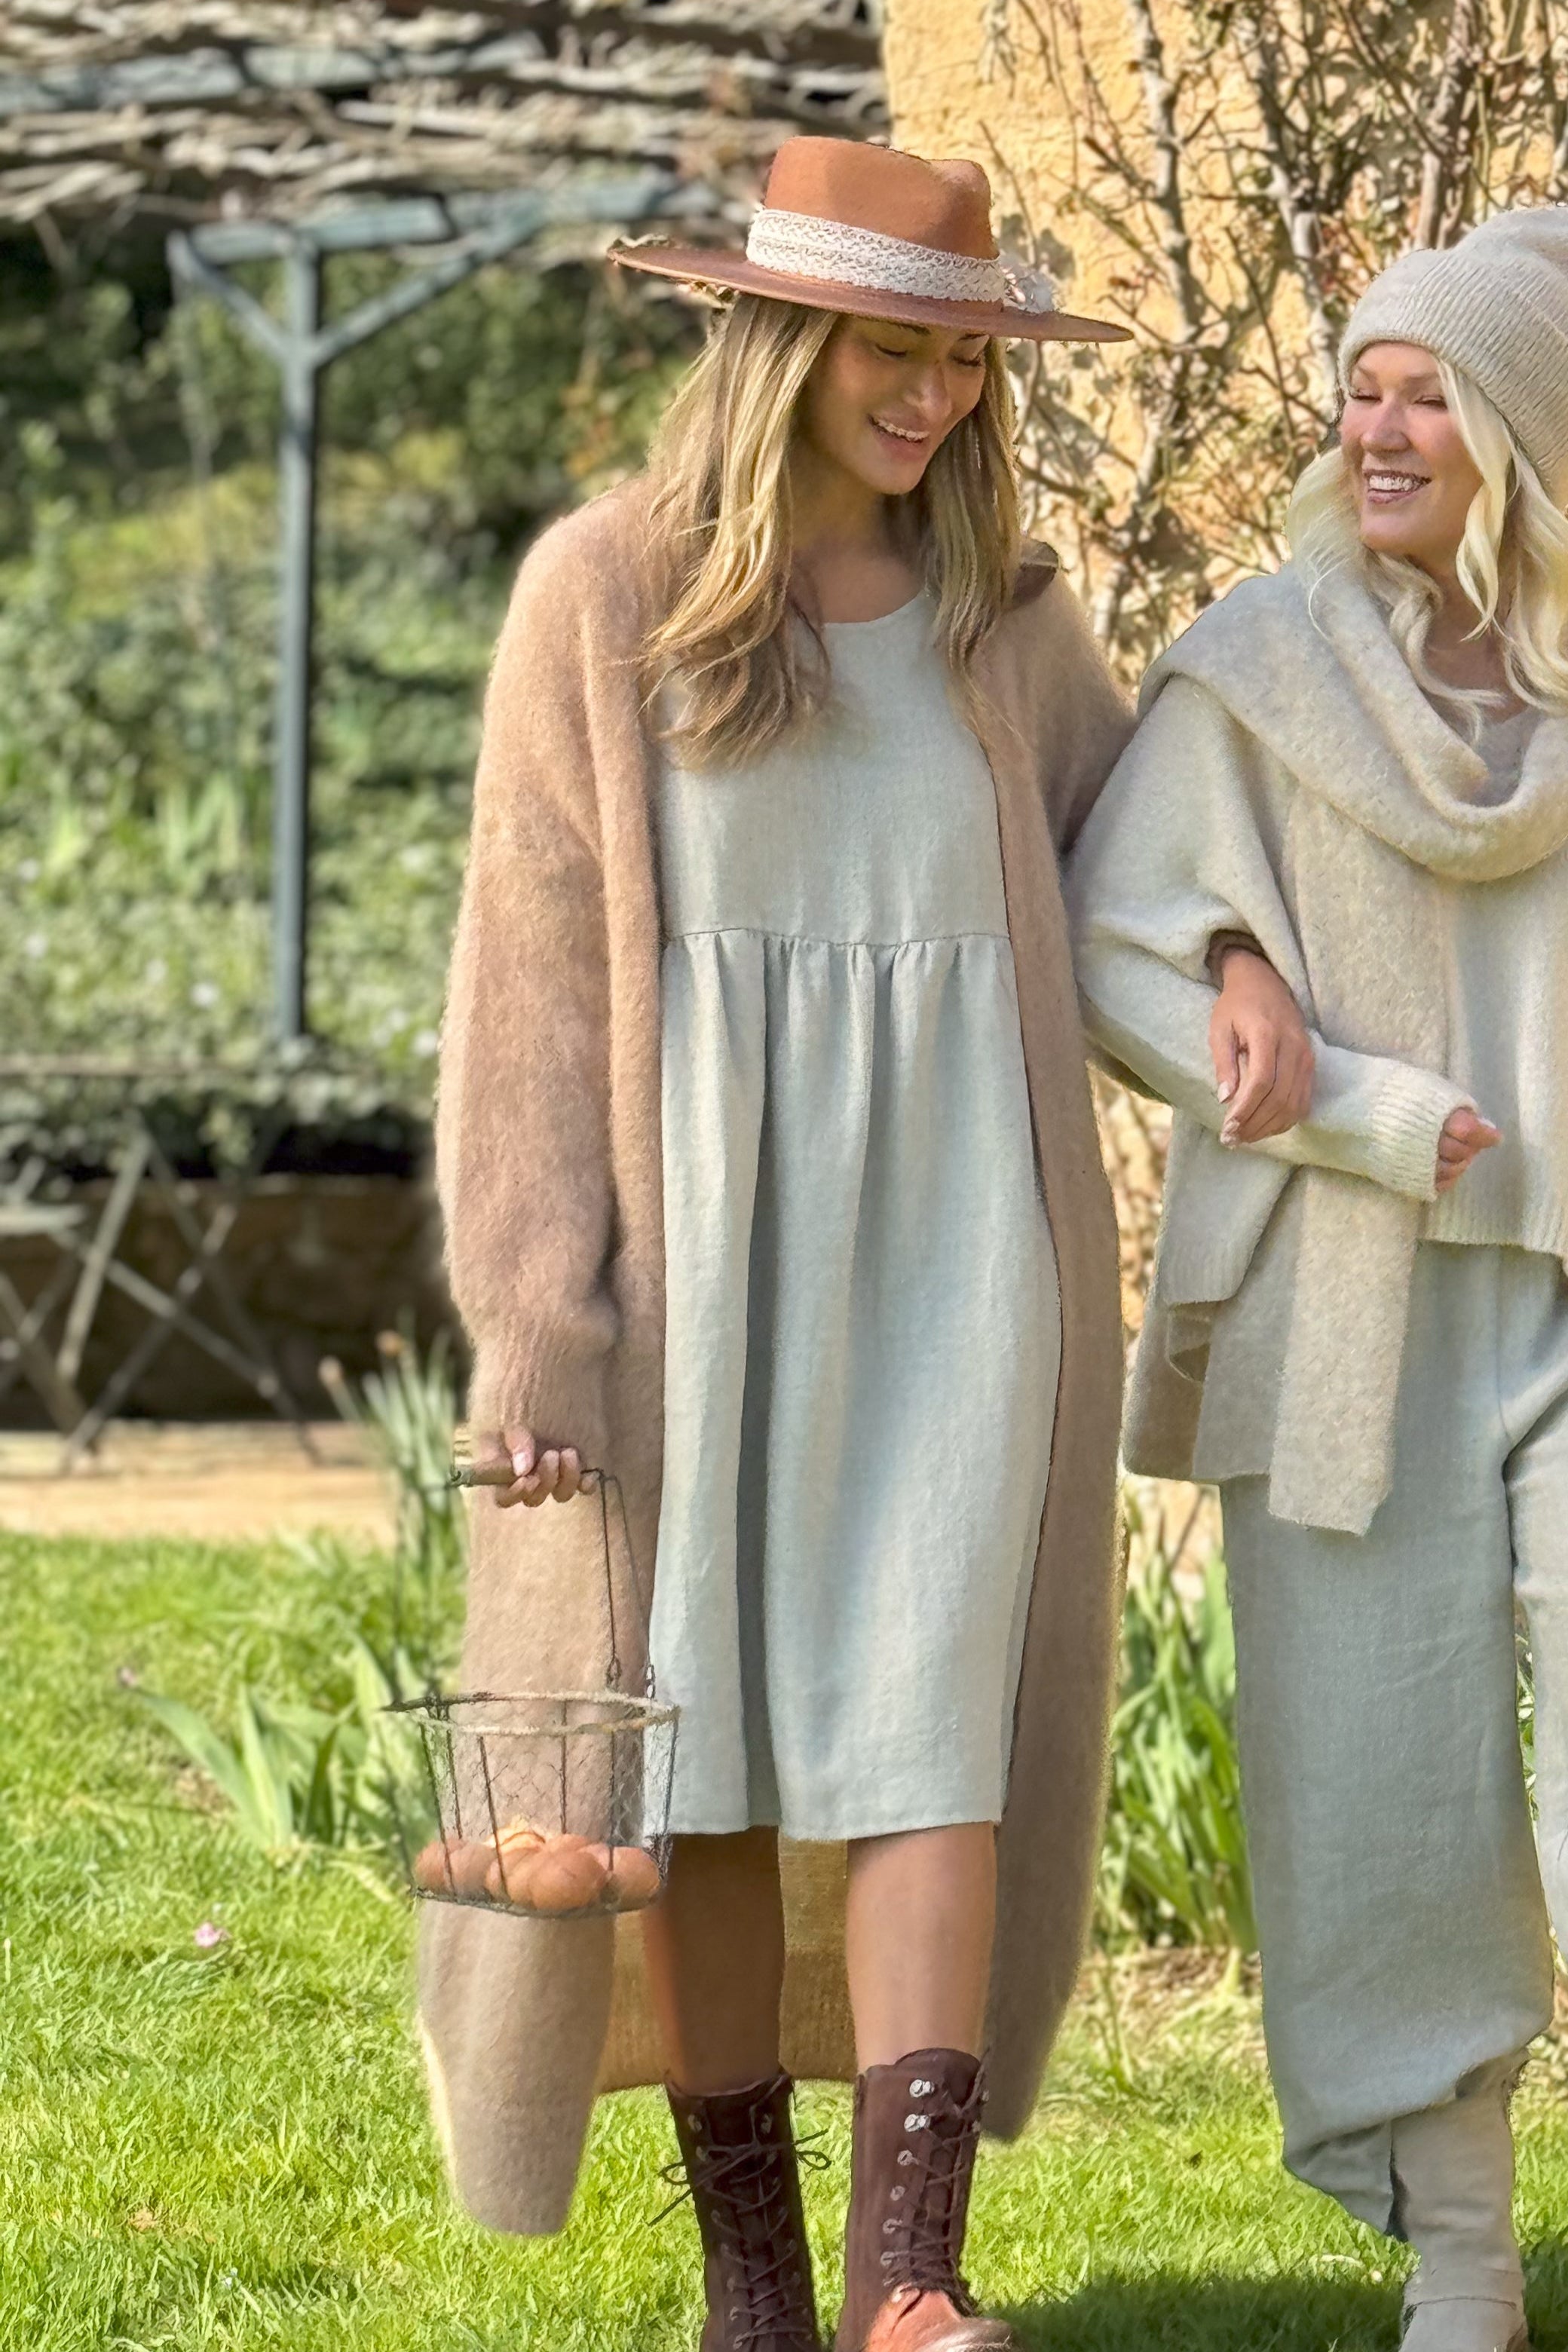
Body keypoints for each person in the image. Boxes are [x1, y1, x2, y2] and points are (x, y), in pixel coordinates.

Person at [422, 136, 1138, 2352]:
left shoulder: (1010, 620)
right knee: (700, 1757)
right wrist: (538, 1319)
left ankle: (910, 2282)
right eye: (892, 352)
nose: (934, 399)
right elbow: (531, 985)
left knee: (935, 1724)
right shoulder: (606, 595)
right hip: (699, 1273)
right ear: (780, 342)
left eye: (965, 362)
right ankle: (757, 2288)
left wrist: (1238, 966)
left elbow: (1144, 872)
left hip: (966, 1255)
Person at [1067, 208, 1568, 2352]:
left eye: (1429, 392)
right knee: (1386, 1784)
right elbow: (1117, 942)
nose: (1379, 426)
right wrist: (1300, 1046)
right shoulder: (1259, 668)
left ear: (1524, 429)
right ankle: (1465, 2260)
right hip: (1351, 1307)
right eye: (1361, 387)